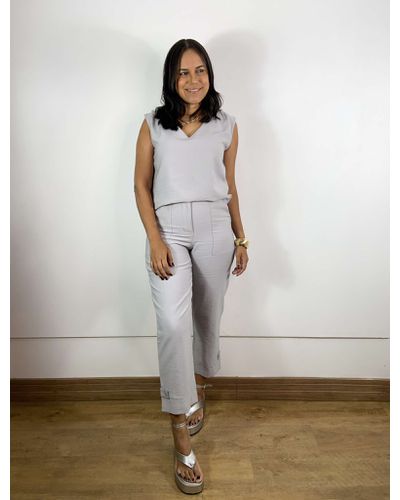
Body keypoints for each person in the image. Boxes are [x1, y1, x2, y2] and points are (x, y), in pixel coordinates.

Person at [134, 38, 249, 494]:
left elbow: (231, 185)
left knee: (206, 317)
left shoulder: (227, 125)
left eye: (200, 70)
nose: (193, 80)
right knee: (173, 324)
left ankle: (199, 387)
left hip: (217, 228)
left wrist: (241, 237)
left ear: (210, 74)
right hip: (170, 231)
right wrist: (155, 239)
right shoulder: (152, 124)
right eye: (183, 72)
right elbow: (141, 186)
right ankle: (179, 430)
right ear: (171, 78)